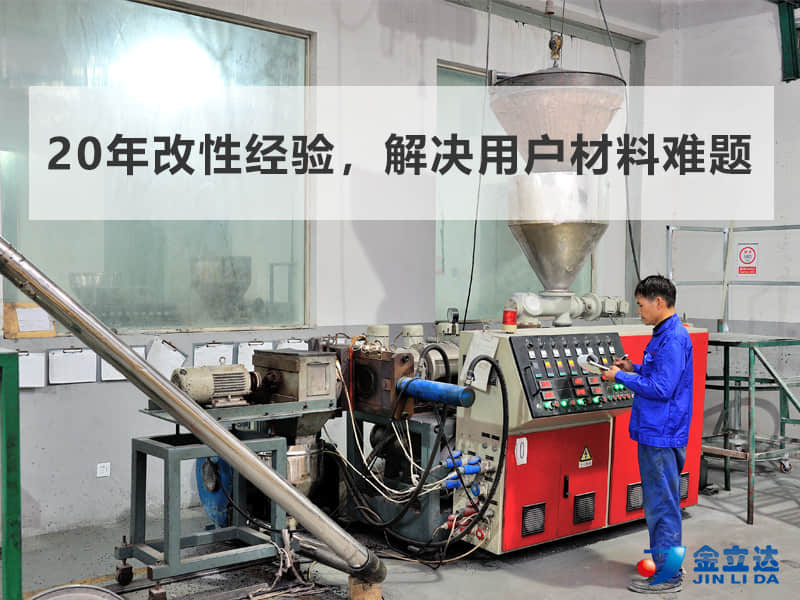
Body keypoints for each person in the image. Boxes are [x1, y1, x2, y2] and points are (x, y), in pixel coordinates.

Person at [606, 275, 694, 594]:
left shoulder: (672, 339)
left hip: (662, 434)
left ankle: (669, 575)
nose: (639, 311)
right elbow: (658, 375)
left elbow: (661, 388)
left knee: (662, 506)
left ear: (659, 302)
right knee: (661, 503)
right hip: (657, 431)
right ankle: (666, 562)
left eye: (641, 305)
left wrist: (619, 378)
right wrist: (632, 369)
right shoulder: (664, 334)